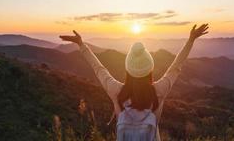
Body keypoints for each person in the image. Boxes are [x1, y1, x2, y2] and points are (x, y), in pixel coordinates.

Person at [59, 23, 209, 141]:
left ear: (128, 69)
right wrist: (191, 40)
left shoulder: (116, 92)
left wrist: (81, 44)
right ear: (150, 69)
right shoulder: (159, 91)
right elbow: (176, 66)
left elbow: (99, 68)